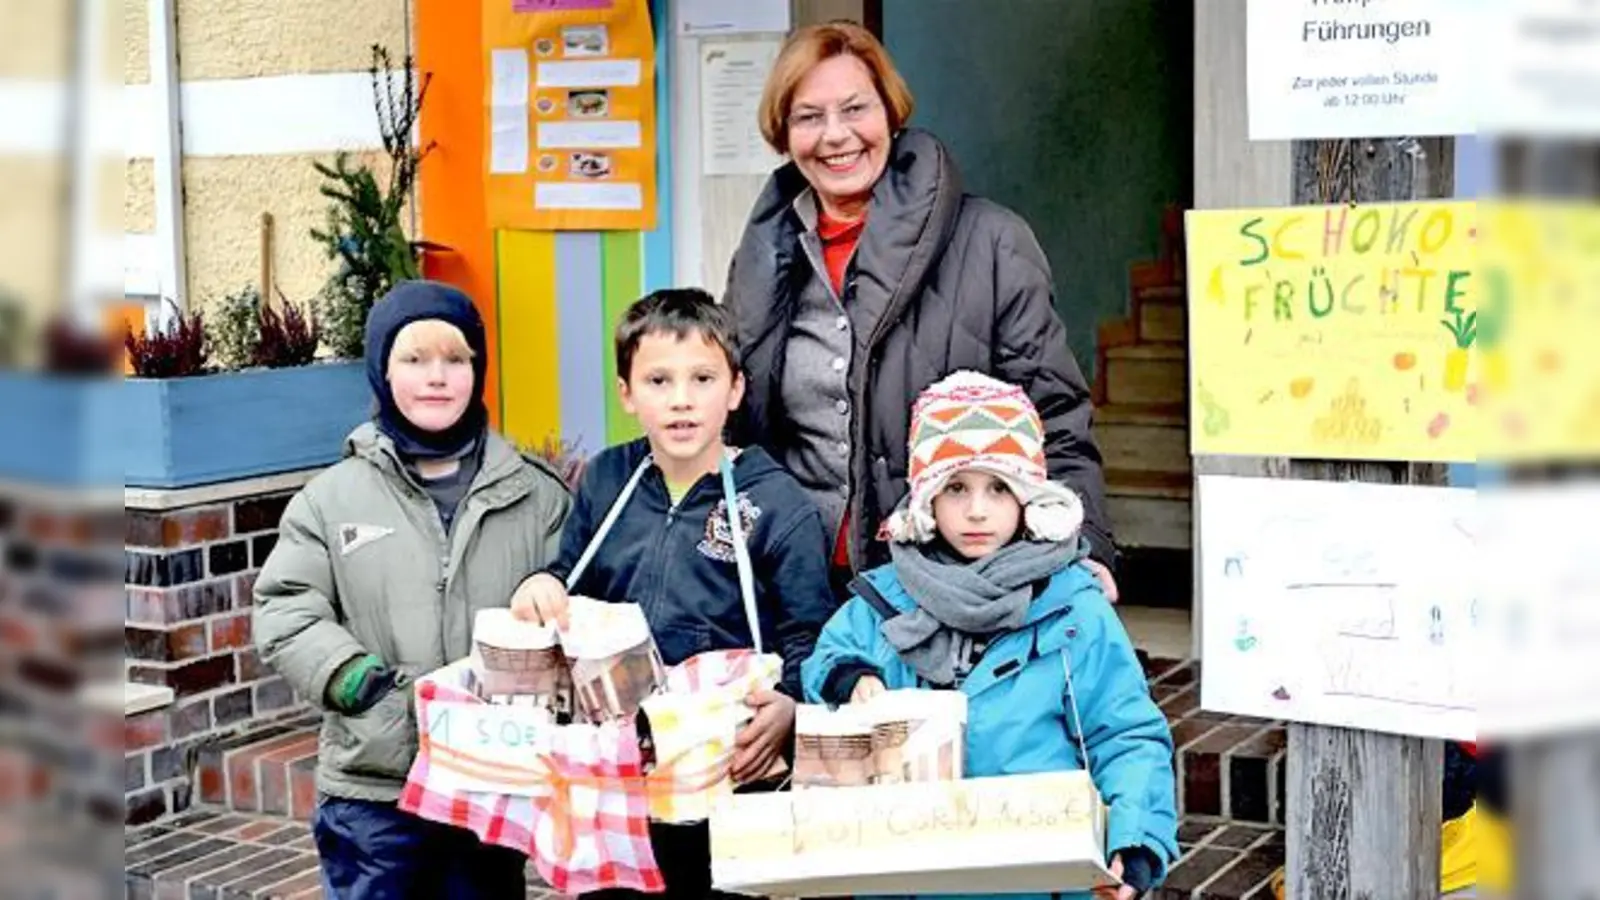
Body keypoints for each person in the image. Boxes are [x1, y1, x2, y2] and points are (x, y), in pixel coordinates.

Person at [724, 21, 1119, 602]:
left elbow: (1053, 415)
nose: (835, 136)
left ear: (891, 113)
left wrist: (1085, 541)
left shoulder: (992, 243)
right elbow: (733, 419)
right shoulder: (763, 255)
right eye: (809, 117)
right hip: (794, 585)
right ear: (784, 134)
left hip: (949, 585)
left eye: (855, 108)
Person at [801, 372, 1178, 900]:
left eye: (999, 487)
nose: (977, 510)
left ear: (1030, 499)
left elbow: (1126, 736)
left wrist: (1136, 843)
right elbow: (827, 657)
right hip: (906, 877)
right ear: (926, 500)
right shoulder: (884, 599)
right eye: (955, 487)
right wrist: (849, 678)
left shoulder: (1074, 607)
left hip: (1038, 879)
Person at [511, 287, 837, 898]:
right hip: (618, 772)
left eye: (703, 378)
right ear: (627, 392)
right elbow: (569, 576)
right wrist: (541, 584)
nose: (682, 400)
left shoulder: (773, 503)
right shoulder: (607, 480)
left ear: (735, 390)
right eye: (659, 380)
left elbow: (809, 636)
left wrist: (790, 708)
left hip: (729, 774)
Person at [252, 281, 573, 899]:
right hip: (375, 789)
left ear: (478, 371)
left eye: (456, 360)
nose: (437, 377)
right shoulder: (332, 498)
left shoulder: (537, 496)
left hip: (489, 779)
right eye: (414, 359)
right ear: (381, 370)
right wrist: (357, 683)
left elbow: (578, 599)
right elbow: (284, 606)